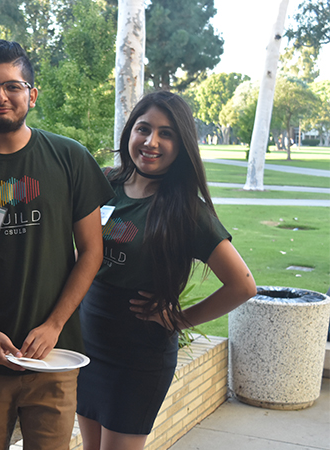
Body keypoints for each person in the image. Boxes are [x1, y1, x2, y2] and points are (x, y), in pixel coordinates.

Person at [0, 39, 114, 450]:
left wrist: (54, 326)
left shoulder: (70, 158)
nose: (1, 96)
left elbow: (92, 252)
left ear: (32, 93)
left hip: (55, 357)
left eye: (13, 85)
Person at [76, 91, 257, 450]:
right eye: (143, 129)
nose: (151, 142)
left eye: (166, 133)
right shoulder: (104, 184)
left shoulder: (187, 210)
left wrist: (180, 320)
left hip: (139, 356)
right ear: (130, 132)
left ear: (181, 144)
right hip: (89, 343)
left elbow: (243, 285)